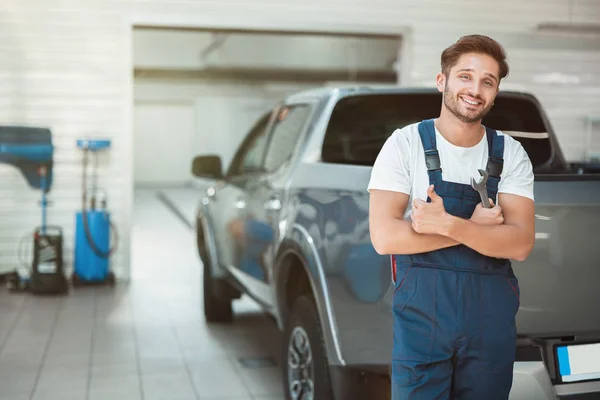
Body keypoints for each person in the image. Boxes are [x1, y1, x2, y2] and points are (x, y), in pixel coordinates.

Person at [368, 34, 536, 399]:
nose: (475, 89)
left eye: (487, 82)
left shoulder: (511, 153)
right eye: (465, 76)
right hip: (422, 321)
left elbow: (520, 243)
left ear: (495, 92)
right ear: (442, 80)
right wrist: (475, 229)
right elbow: (385, 236)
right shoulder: (405, 144)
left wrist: (446, 224)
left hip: (489, 324)